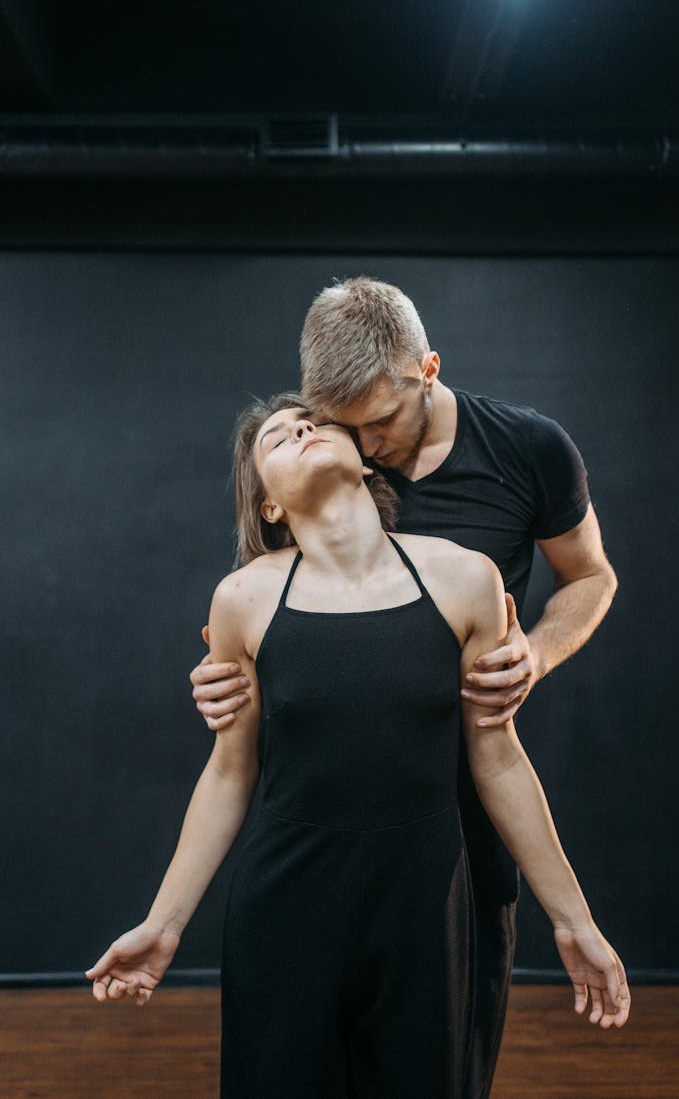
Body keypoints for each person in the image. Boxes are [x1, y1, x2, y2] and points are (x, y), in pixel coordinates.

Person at [86, 396, 630, 1099]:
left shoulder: (465, 577)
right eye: (278, 439)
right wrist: (164, 925)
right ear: (270, 508)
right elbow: (228, 774)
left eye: (313, 423)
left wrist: (574, 919)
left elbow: (498, 759)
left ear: (366, 460)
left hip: (427, 903)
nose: (303, 429)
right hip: (286, 905)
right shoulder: (243, 600)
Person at [190, 278, 619, 1097]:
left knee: (441, 1065)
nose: (366, 443)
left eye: (380, 423)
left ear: (427, 369)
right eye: (339, 425)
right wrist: (222, 678)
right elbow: (268, 628)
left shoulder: (528, 449)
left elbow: (591, 577)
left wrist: (536, 651)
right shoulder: (331, 458)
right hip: (323, 829)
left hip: (460, 816)